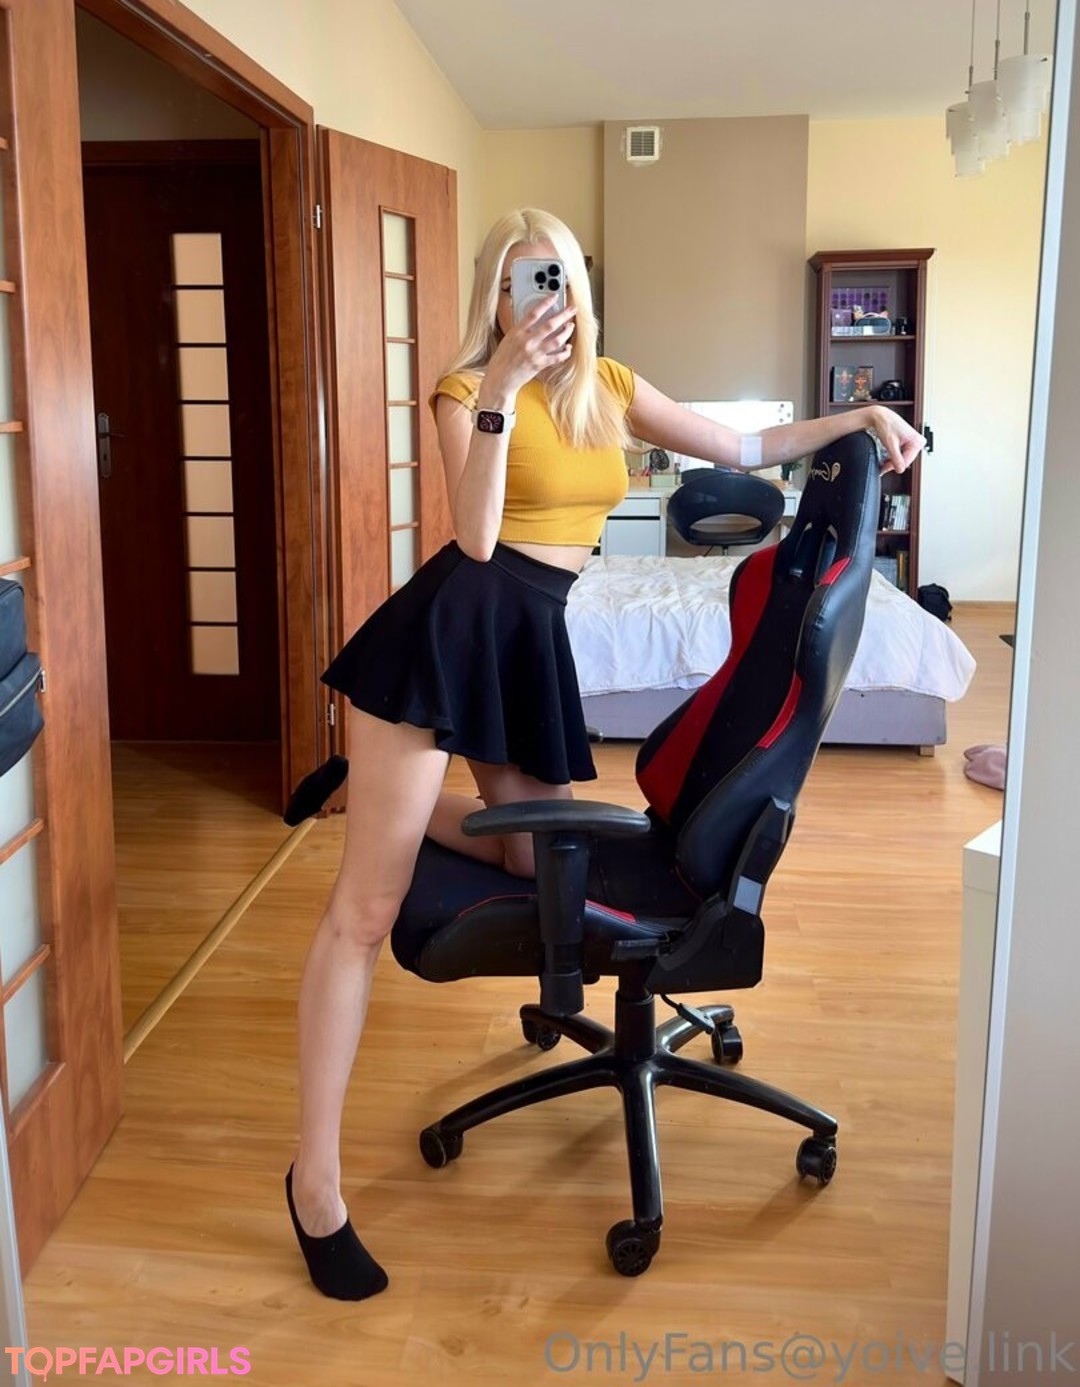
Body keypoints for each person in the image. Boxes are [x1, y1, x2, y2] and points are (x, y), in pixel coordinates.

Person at [284, 208, 926, 1301]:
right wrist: (499, 386)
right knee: (364, 911)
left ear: (580, 290)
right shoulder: (461, 389)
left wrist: (859, 415)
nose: (541, 297)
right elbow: (476, 538)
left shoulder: (612, 386)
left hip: (529, 639)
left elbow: (744, 447)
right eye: (518, 280)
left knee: (534, 858)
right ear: (494, 298)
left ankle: (382, 788)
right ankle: (315, 1183)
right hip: (450, 632)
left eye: (558, 277)